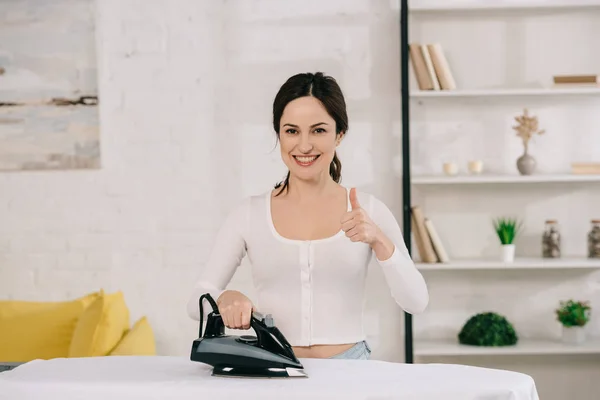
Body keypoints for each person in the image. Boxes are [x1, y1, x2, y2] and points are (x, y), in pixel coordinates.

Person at [187, 72, 429, 360]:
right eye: (291, 131)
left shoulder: (369, 211)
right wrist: (223, 299)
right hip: (274, 368)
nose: (304, 146)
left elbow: (416, 301)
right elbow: (196, 300)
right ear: (278, 133)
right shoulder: (248, 214)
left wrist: (380, 241)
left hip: (350, 371)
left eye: (318, 130)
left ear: (339, 134)